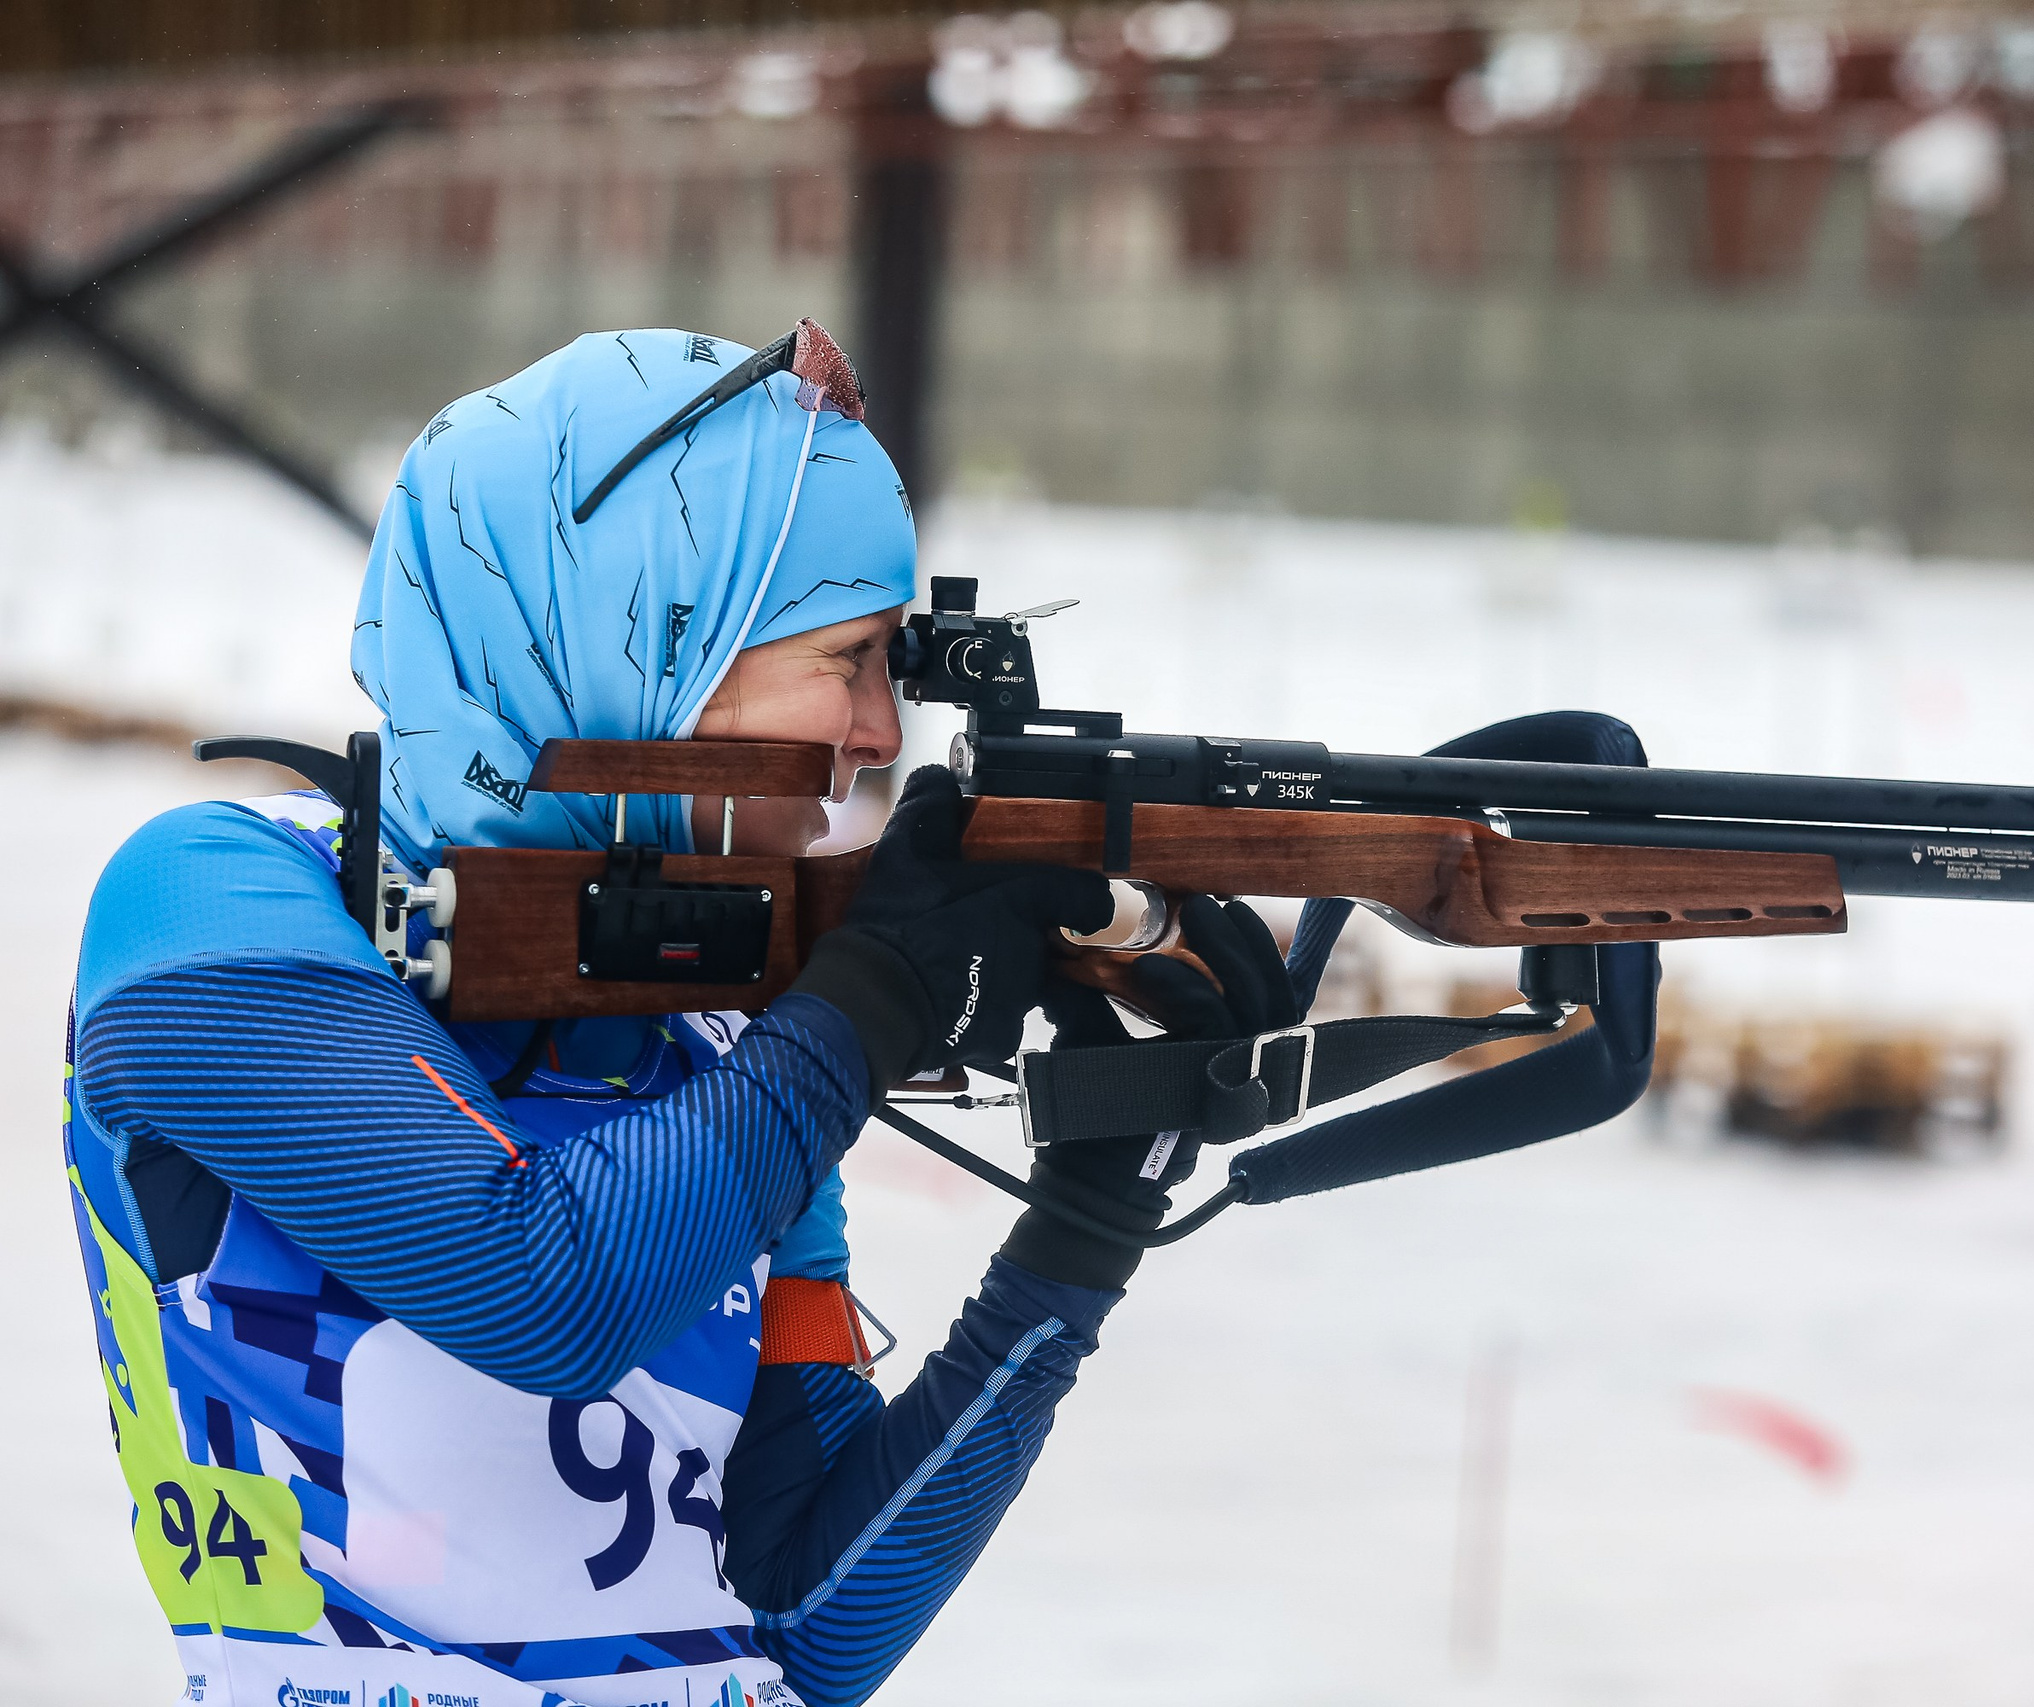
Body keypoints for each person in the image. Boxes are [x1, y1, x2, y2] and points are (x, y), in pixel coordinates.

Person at [62, 321, 1297, 1707]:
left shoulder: (725, 1029)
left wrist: (1085, 1231)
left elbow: (806, 1616)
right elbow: (546, 1290)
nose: (883, 732)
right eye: (847, 660)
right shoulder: (209, 905)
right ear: (642, 643)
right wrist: (874, 994)